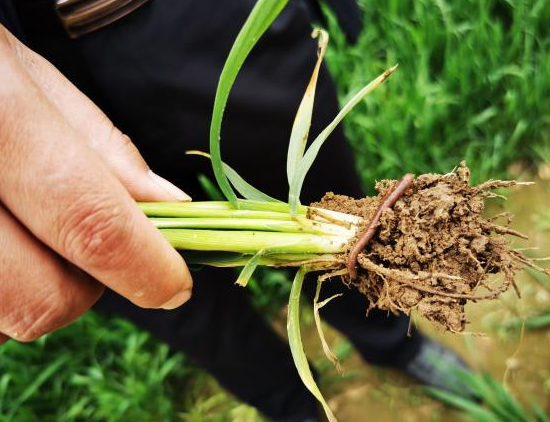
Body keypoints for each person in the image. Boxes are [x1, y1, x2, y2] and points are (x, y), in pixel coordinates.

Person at [0, 1, 472, 421]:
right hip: (28, 61)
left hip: (201, 16)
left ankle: (390, 341)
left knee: (323, 191)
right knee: (156, 283)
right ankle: (292, 406)